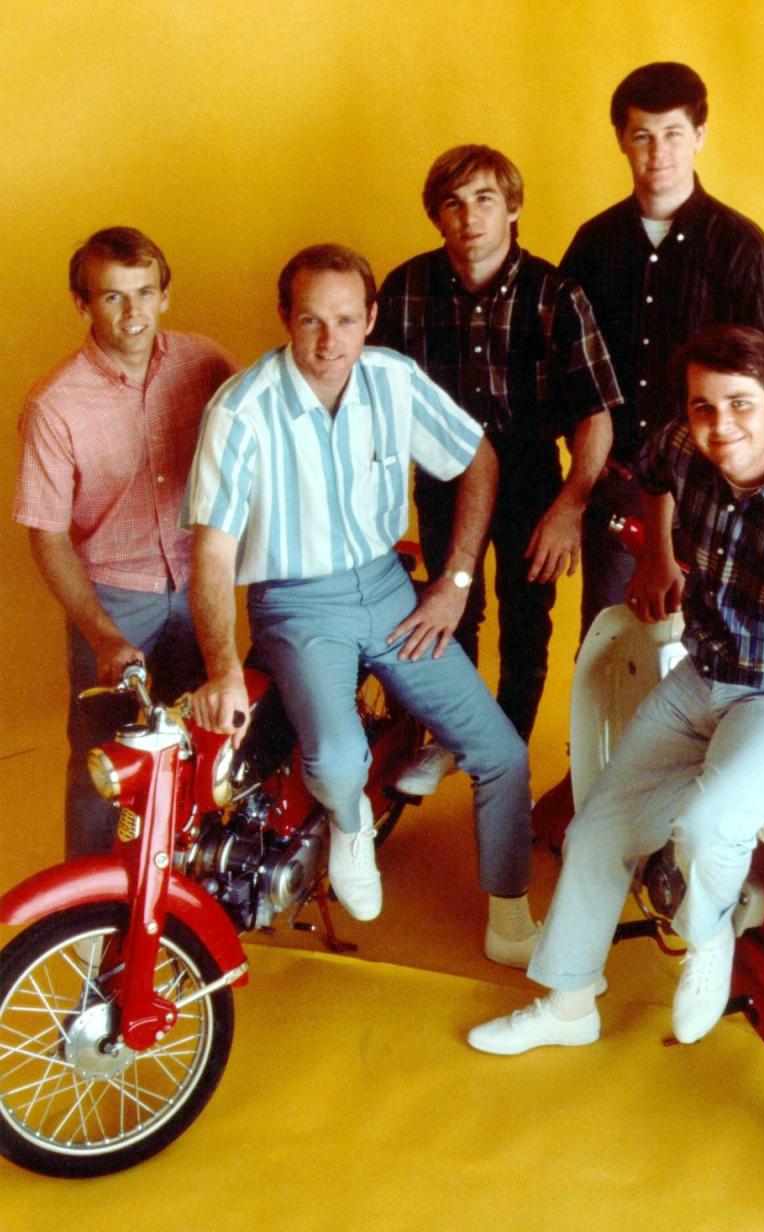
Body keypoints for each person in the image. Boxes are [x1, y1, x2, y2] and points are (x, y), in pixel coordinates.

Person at [467, 325, 764, 1054]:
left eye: (742, 405)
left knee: (707, 825)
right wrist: (658, 553)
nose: (722, 428)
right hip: (707, 674)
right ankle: (568, 1004)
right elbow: (652, 472)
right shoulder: (685, 447)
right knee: (596, 827)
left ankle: (709, 940)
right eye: (703, 408)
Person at [185, 243, 539, 965]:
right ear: (285, 317)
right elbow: (213, 556)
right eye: (311, 320)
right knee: (339, 760)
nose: (329, 342)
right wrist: (222, 667)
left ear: (371, 317)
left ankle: (511, 907)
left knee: (501, 751)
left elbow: (479, 458)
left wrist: (457, 578)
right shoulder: (242, 410)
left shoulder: (392, 379)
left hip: (387, 588)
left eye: (347, 320)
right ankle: (350, 827)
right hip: (297, 605)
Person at [535, 61, 764, 839]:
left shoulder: (743, 249)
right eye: (641, 137)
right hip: (620, 481)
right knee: (610, 639)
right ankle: (595, 786)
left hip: (717, 492)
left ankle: (706, 798)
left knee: (716, 642)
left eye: (673, 136)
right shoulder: (593, 245)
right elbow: (568, 372)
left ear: (700, 136)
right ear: (621, 141)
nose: (657, 153)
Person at [374, 145, 619, 796]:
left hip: (535, 477)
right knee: (452, 608)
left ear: (512, 207)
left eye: (484, 199)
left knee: (525, 620)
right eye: (452, 203)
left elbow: (595, 414)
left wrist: (570, 505)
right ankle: (452, 739)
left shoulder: (556, 295)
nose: (469, 217)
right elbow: (370, 398)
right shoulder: (405, 290)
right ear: (436, 217)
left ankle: (504, 752)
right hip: (440, 478)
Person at [14, 226, 236, 858]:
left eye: (145, 292)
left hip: (201, 588)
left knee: (202, 748)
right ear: (83, 305)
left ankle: (189, 898)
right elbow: (48, 538)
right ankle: (83, 916)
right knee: (101, 765)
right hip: (114, 599)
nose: (133, 312)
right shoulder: (54, 405)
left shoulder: (206, 362)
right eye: (113, 297)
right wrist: (103, 634)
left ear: (165, 294)